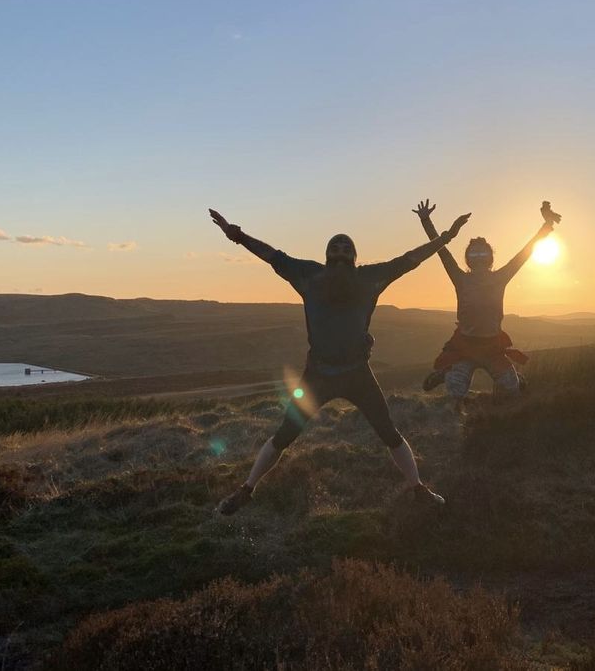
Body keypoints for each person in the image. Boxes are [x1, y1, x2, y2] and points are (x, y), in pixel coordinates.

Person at [209, 207, 471, 514]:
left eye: (347, 246)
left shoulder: (367, 276)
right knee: (284, 436)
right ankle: (246, 490)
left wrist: (446, 237)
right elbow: (270, 254)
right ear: (327, 254)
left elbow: (410, 259)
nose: (342, 248)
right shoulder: (308, 273)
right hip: (318, 374)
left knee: (389, 433)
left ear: (355, 256)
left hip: (356, 373)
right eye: (336, 245)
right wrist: (237, 236)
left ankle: (418, 489)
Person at [413, 199, 562, 407]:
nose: (479, 257)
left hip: (492, 347)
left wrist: (546, 227)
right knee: (455, 392)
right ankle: (448, 372)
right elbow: (442, 252)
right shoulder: (460, 278)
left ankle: (514, 379)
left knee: (512, 388)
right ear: (468, 258)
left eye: (483, 253)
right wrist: (426, 221)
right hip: (465, 346)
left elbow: (525, 253)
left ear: (490, 258)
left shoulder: (500, 277)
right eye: (474, 253)